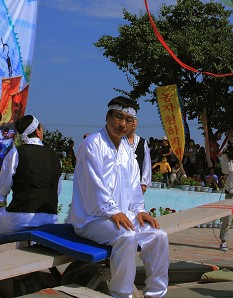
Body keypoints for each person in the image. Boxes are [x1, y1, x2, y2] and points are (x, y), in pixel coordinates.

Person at [68, 95, 168, 298]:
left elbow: (134, 185)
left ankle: (156, 294)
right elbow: (92, 185)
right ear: (108, 117)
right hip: (92, 218)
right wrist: (112, 211)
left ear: (133, 124)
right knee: (126, 237)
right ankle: (121, 295)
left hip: (123, 215)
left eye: (128, 120)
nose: (122, 124)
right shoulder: (92, 144)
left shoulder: (127, 150)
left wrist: (139, 210)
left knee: (159, 237)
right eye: (118, 117)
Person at [0, 114, 61, 258]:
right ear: (38, 131)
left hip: (21, 217)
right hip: (50, 218)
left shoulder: (17, 153)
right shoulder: (55, 156)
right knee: (24, 234)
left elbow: (1, 190)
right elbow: (57, 191)